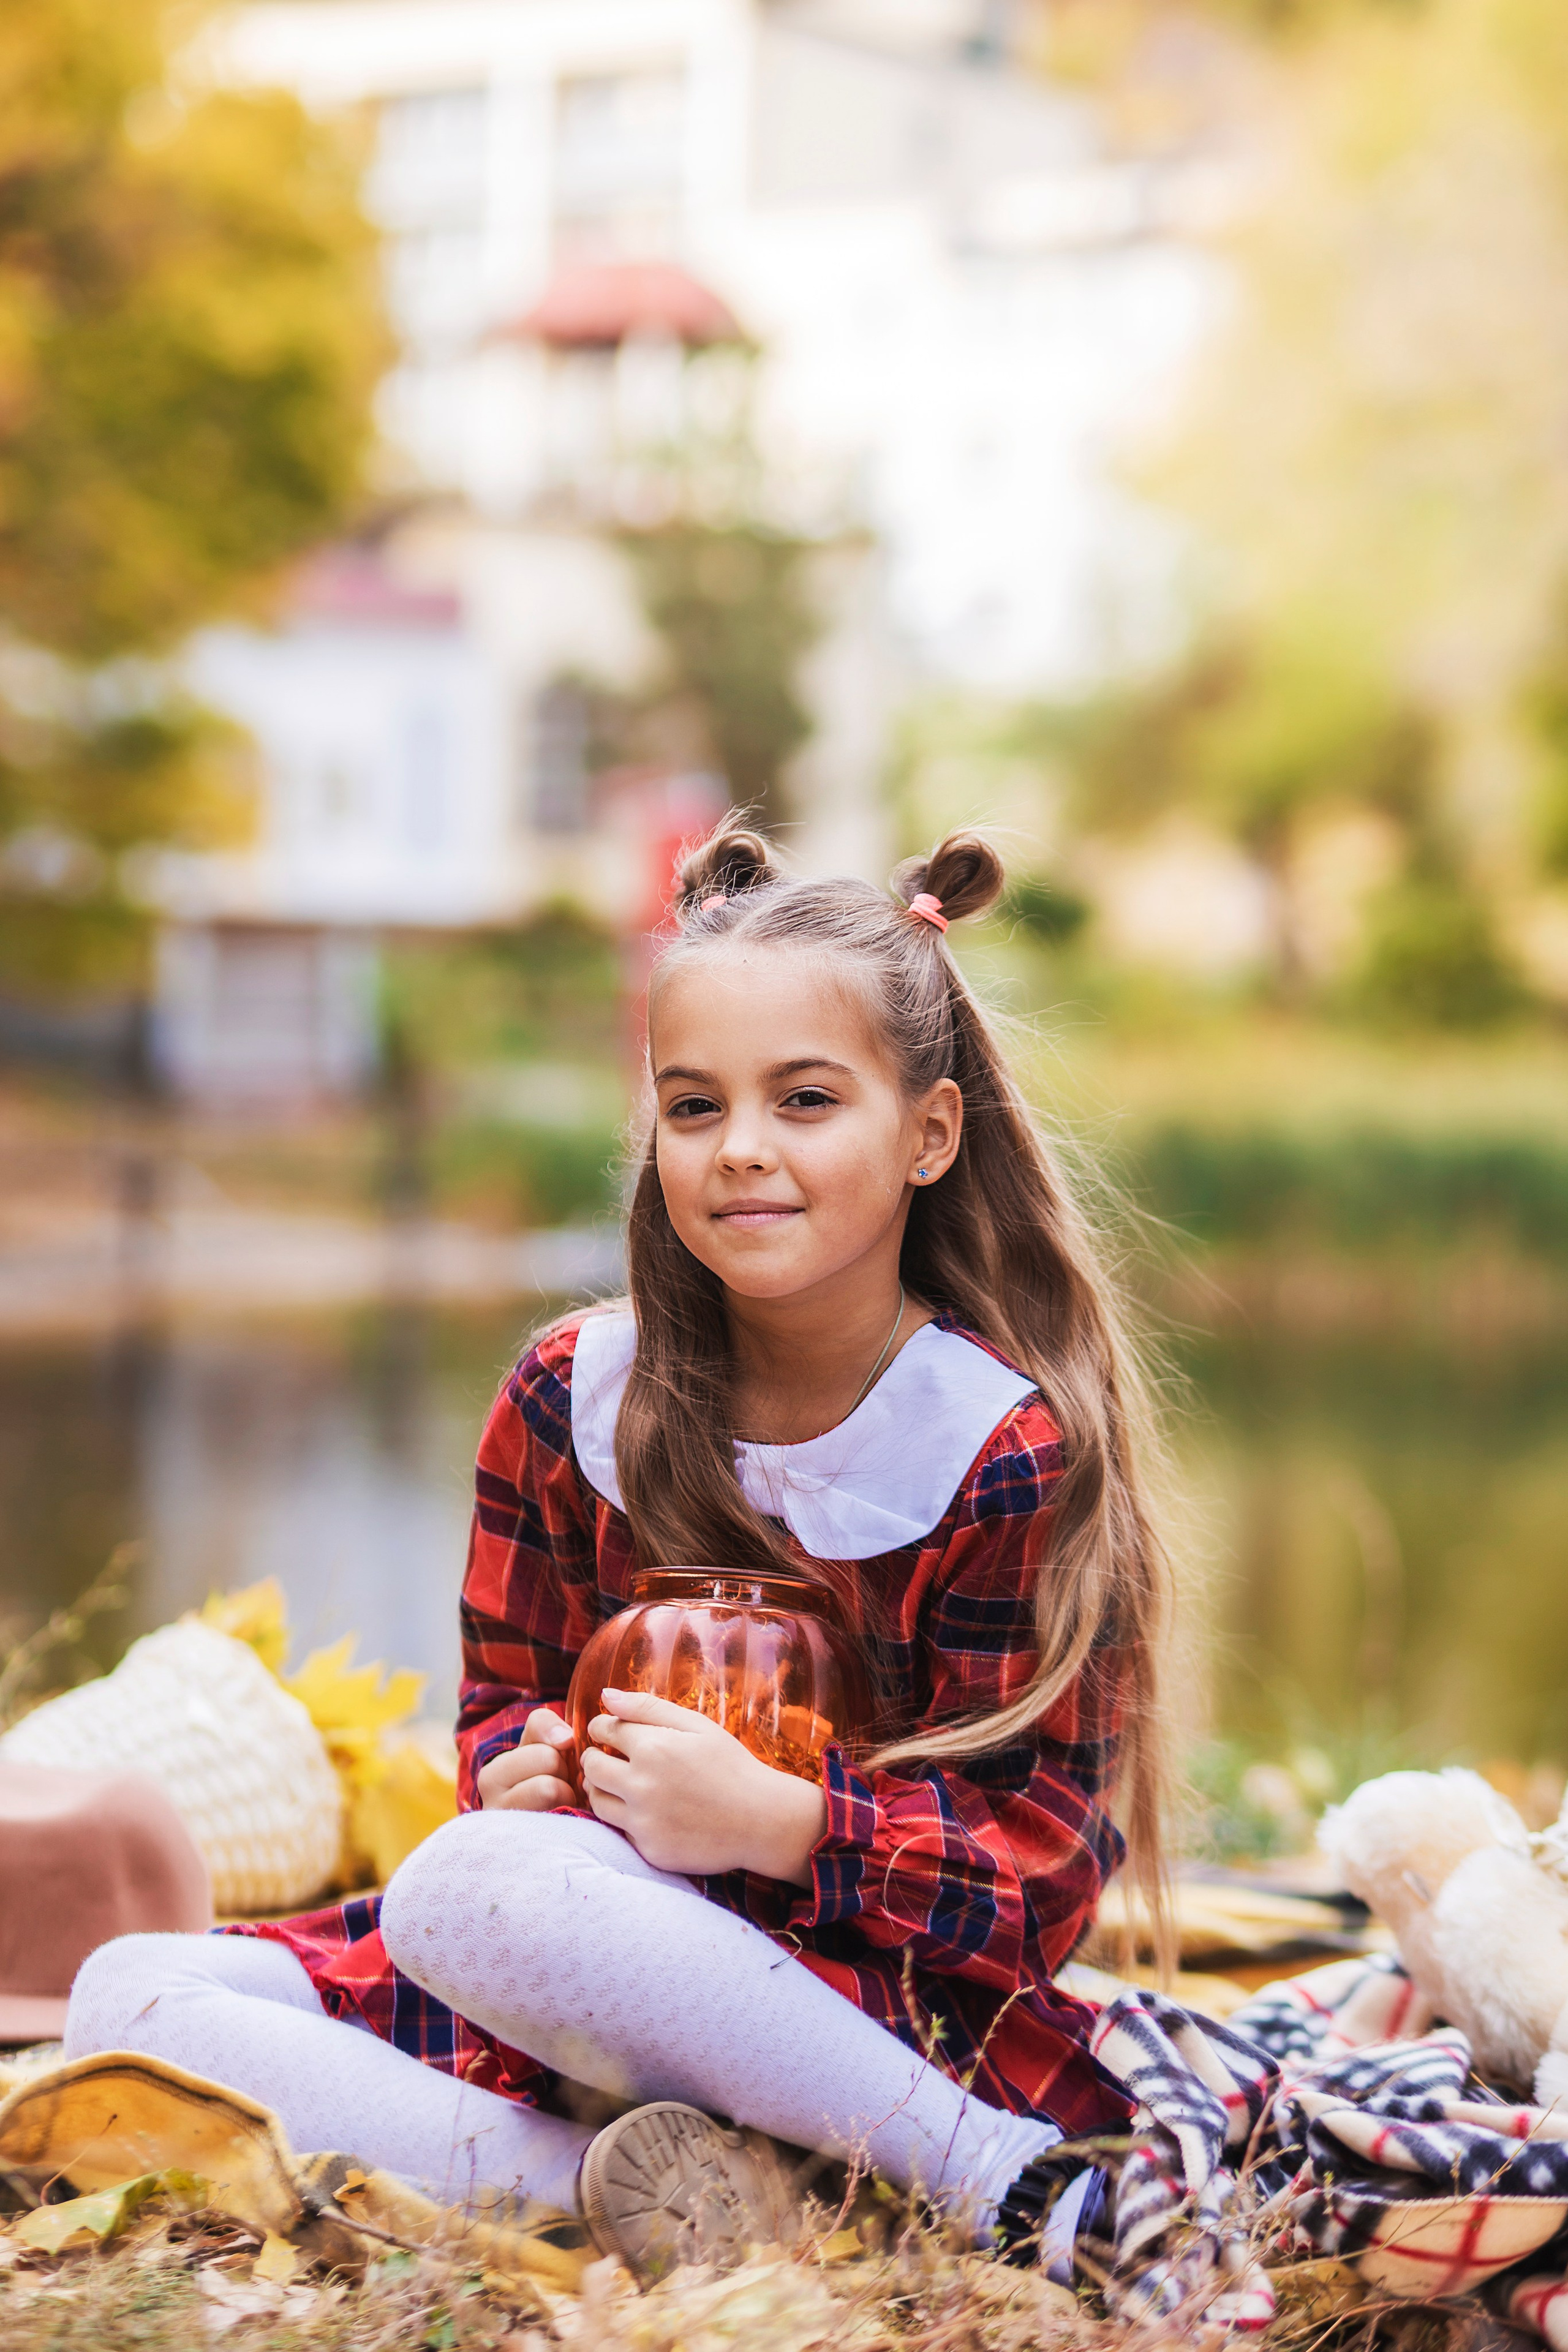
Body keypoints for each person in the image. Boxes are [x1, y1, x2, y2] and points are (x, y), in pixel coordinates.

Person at [67, 821, 1174, 2278]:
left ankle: (1009, 2186)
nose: (743, 1151)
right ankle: (638, 2188)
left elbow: (1033, 1890)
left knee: (461, 1891)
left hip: (859, 2011)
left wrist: (782, 1825)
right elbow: (493, 1714)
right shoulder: (570, 1394)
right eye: (695, 1105)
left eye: (805, 1101)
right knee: (123, 1999)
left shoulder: (993, 1451)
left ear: (928, 1134)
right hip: (574, 1967)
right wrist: (520, 1767)